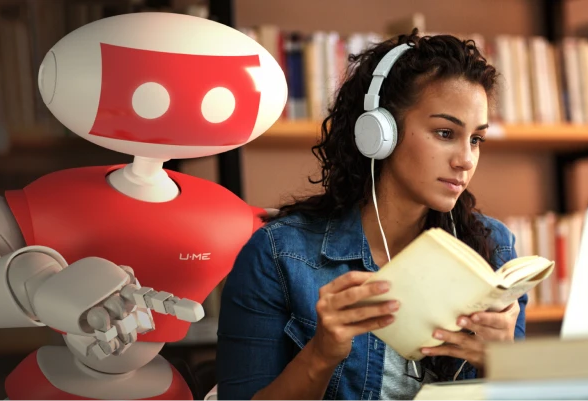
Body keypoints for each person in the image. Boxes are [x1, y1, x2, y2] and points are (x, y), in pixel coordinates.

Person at [215, 29, 527, 401]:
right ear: (380, 133)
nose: (465, 160)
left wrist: (500, 363)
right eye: (445, 133)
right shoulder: (277, 255)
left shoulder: (494, 249)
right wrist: (320, 354)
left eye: (476, 139)